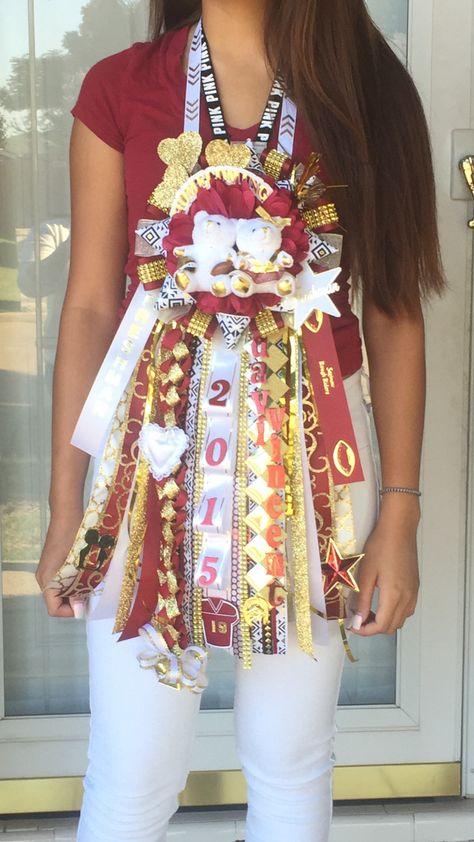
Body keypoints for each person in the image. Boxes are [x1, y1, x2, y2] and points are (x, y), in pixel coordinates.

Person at [35, 1, 445, 840]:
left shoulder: (371, 90)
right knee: (133, 767)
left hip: (318, 475)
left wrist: (400, 512)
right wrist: (66, 505)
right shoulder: (120, 88)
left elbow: (396, 311)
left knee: (291, 760)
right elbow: (86, 307)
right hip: (144, 474)